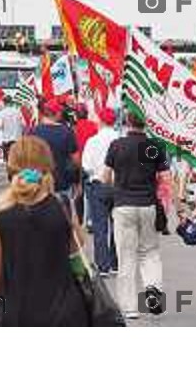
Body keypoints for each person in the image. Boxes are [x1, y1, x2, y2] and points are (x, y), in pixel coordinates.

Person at [0, 136, 89, 327]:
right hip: (65, 314)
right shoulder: (64, 206)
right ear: (48, 165)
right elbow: (77, 246)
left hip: (15, 315)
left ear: (11, 167)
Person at [102, 112, 170, 320]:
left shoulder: (117, 145)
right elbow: (165, 179)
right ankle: (152, 289)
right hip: (148, 204)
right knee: (149, 252)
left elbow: (106, 176)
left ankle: (130, 308)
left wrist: (114, 191)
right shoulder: (153, 146)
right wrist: (177, 208)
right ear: (146, 123)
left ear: (128, 122)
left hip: (123, 205)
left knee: (126, 257)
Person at [82, 107, 119, 276]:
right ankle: (115, 262)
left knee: (100, 226)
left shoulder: (93, 141)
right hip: (118, 185)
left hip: (98, 184)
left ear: (102, 121)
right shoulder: (120, 139)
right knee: (117, 226)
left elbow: (87, 166)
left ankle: (103, 265)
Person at [31, 99, 80, 195]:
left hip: (40, 183)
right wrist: (77, 181)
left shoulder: (33, 132)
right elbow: (76, 160)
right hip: (63, 183)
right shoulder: (66, 132)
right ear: (56, 113)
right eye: (60, 111)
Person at [73, 103, 99, 225]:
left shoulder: (73, 128)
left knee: (79, 193)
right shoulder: (94, 126)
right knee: (91, 194)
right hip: (91, 163)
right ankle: (90, 219)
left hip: (78, 163)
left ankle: (79, 219)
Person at [0, 95, 24, 175]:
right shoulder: (17, 112)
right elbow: (23, 124)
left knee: (7, 159)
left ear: (4, 102)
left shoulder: (2, 113)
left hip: (6, 139)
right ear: (11, 102)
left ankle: (10, 174)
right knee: (16, 158)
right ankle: (16, 173)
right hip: (17, 138)